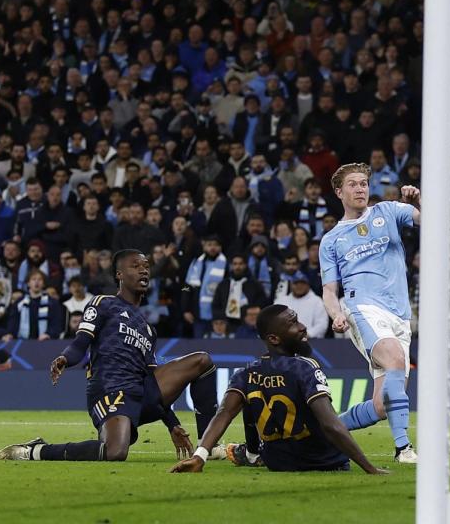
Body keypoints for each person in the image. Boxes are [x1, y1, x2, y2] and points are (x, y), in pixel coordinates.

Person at [0, 250, 220, 462]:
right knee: (115, 452)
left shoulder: (149, 329)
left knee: (202, 361)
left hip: (142, 390)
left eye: (146, 266)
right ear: (119, 274)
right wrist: (64, 359)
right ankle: (36, 450)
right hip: (110, 388)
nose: (144, 270)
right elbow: (81, 342)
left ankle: (207, 445)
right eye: (135, 266)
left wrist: (172, 424)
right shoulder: (104, 304)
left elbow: (152, 379)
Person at [168, 304, 386, 474]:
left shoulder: (245, 374)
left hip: (279, 463)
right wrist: (370, 468)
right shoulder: (305, 367)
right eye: (293, 323)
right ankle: (250, 453)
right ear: (273, 338)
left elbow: (223, 414)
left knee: (250, 399)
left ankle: (252, 454)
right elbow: (331, 424)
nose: (302, 326)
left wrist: (200, 456)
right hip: (324, 462)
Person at [319, 162, 419, 463]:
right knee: (395, 360)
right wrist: (336, 314)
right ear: (339, 192)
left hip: (400, 313)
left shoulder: (388, 212)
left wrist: (417, 201)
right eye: (353, 184)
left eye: (364, 183)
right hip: (361, 308)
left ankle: (321, 433)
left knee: (381, 405)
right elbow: (328, 291)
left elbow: (433, 223)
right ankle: (403, 449)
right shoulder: (332, 240)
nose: (361, 188)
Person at [277, 271, 328, 339]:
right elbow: (276, 322)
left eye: (302, 283)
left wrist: (307, 334)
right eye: (296, 283)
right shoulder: (281, 301)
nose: (299, 286)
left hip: (310, 341)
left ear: (308, 285)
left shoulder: (317, 301)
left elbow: (322, 324)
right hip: (285, 341)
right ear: (291, 284)